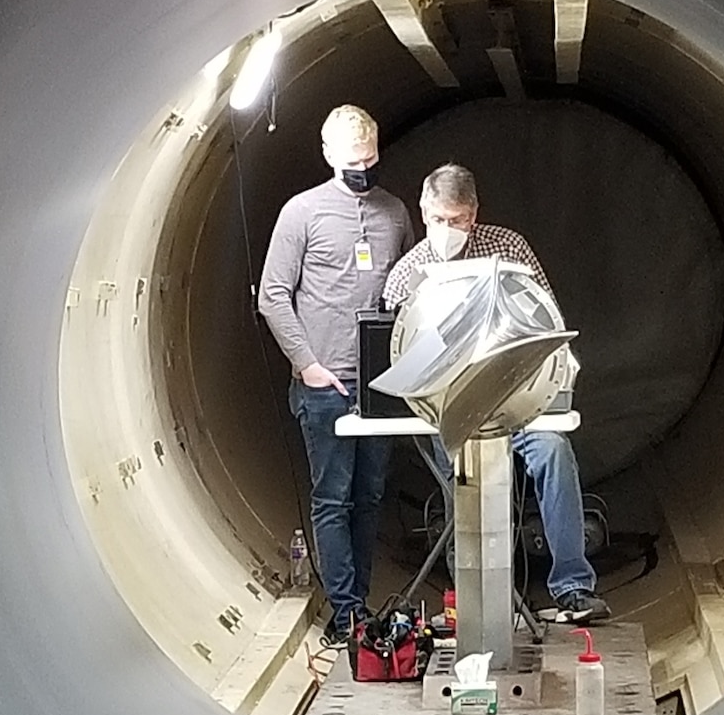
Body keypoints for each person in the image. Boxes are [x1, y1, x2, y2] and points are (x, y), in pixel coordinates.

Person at [384, 162, 610, 622]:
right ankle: (474, 595)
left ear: (475, 212)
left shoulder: (507, 247)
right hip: (447, 407)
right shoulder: (407, 274)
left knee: (554, 454)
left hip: (514, 400)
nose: (448, 229)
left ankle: (572, 586)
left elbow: (548, 319)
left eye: (458, 220)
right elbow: (389, 346)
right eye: (438, 220)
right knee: (462, 484)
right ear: (423, 210)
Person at [258, 104, 414, 643]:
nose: (361, 170)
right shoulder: (301, 213)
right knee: (333, 496)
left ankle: (362, 603)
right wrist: (308, 365)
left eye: (369, 159)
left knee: (370, 496)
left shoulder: (394, 213)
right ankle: (345, 611)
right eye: (351, 161)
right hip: (326, 385)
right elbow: (273, 295)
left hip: (379, 384)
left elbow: (413, 289)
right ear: (327, 156)